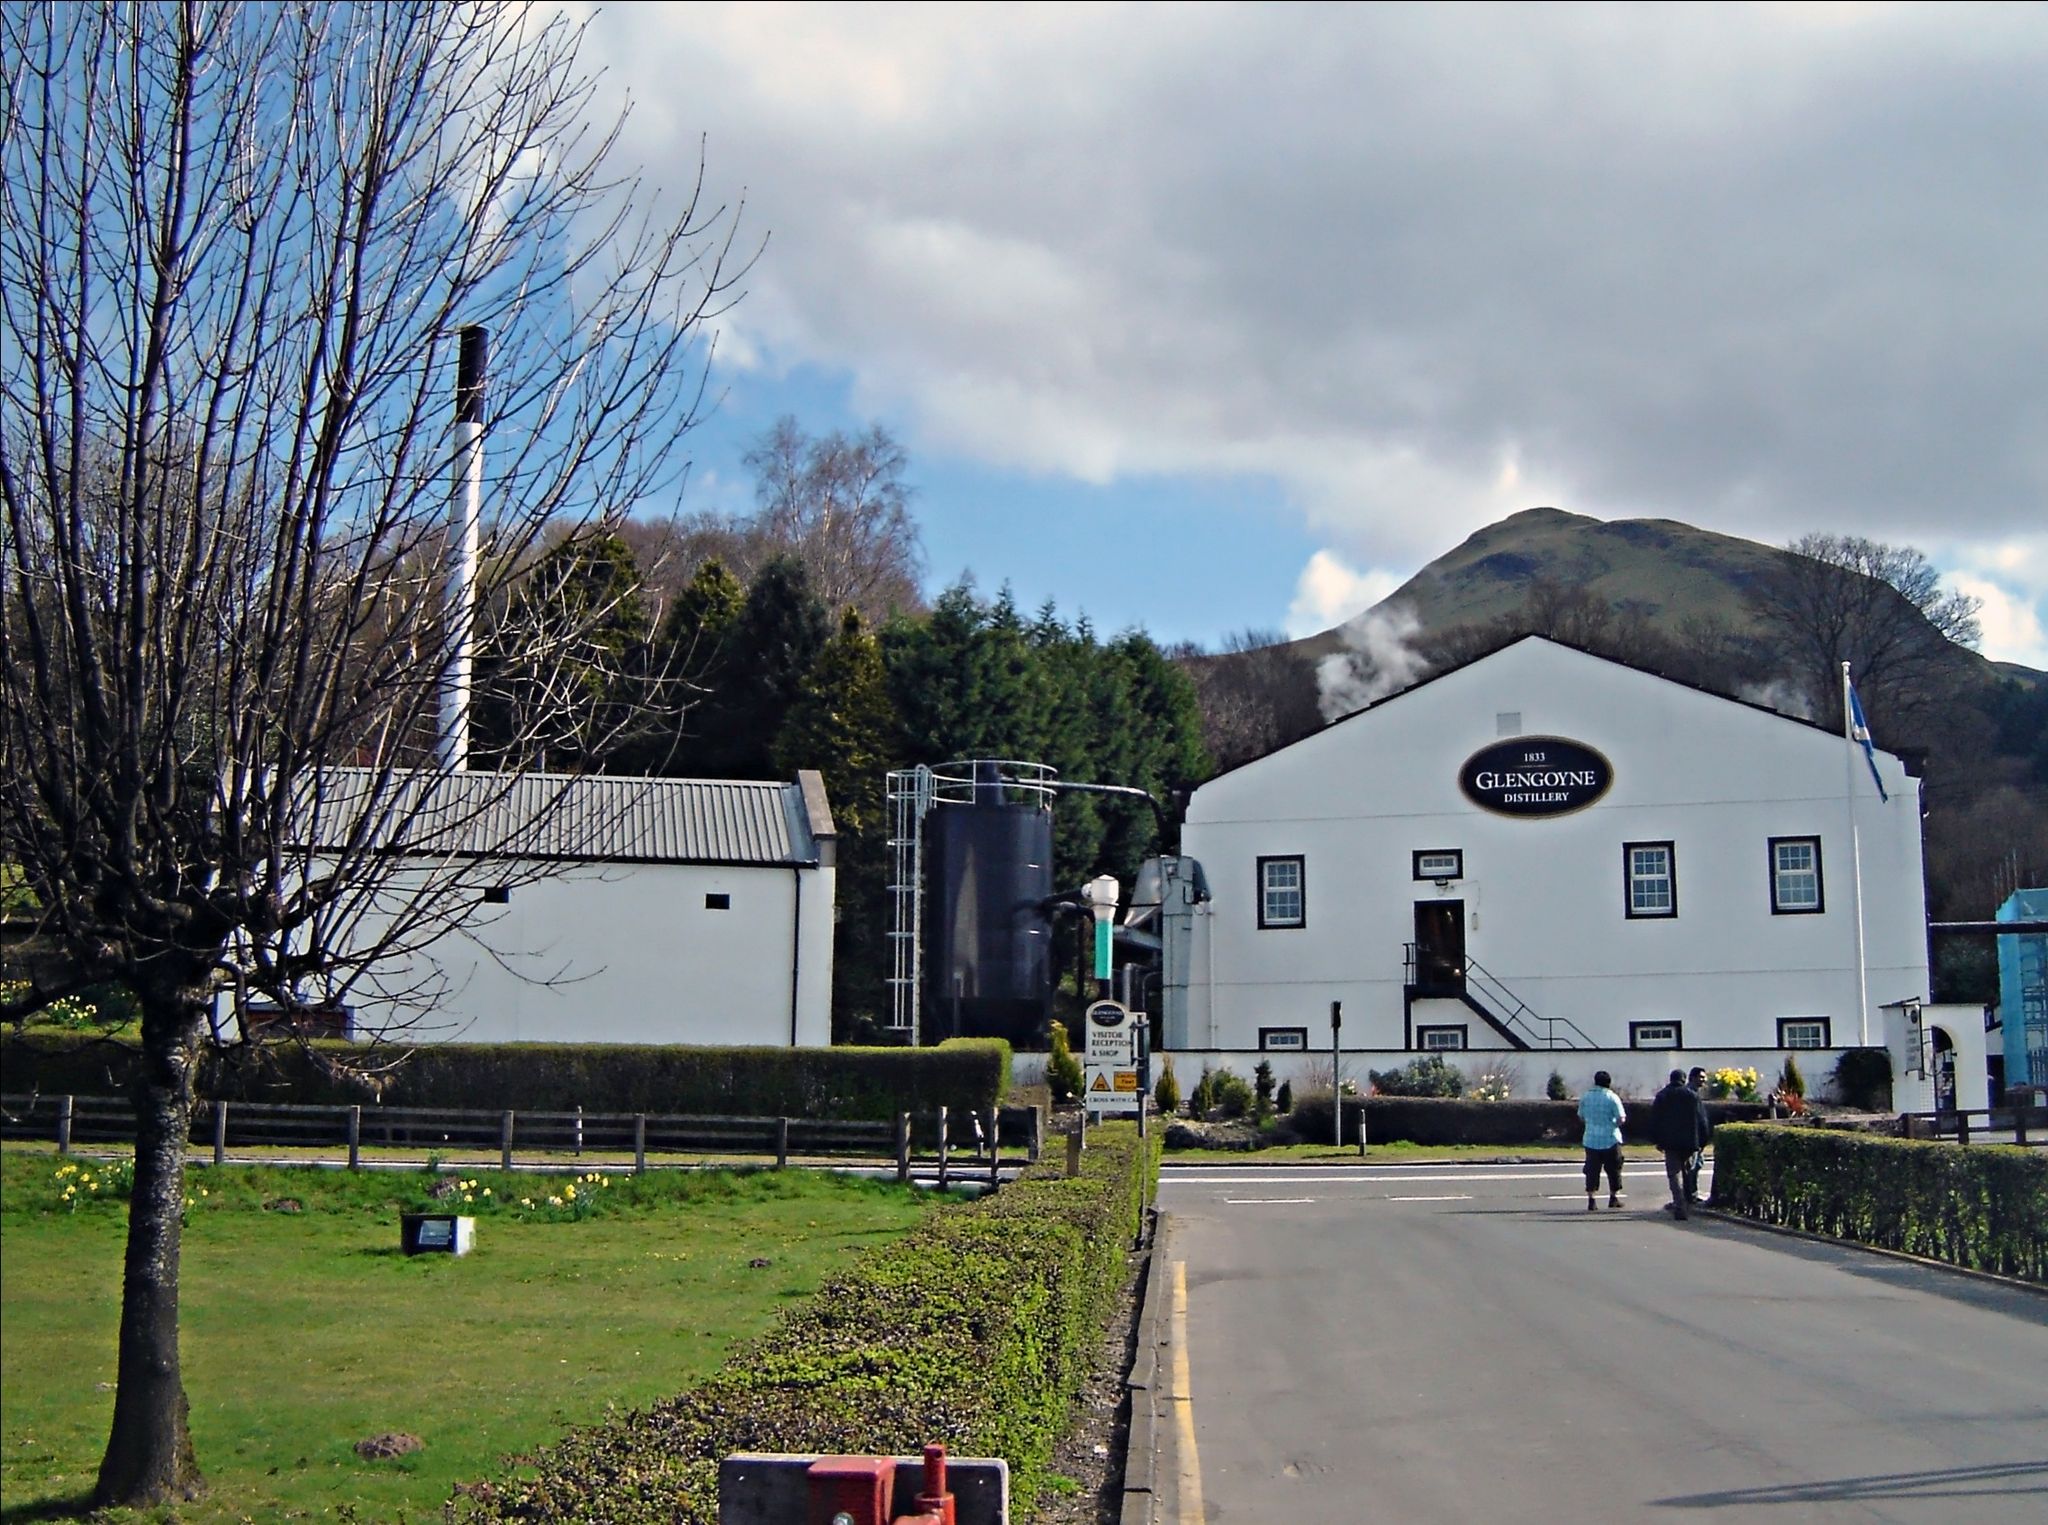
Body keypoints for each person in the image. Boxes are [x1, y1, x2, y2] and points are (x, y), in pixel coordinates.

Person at [1651, 1069, 1713, 1220]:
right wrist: (1703, 1140)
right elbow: (1702, 1120)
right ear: (1684, 1079)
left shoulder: (1662, 1096)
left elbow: (1654, 1121)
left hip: (1670, 1143)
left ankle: (1679, 1204)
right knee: (1688, 1172)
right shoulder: (1692, 1096)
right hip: (1690, 1142)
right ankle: (1688, 1199)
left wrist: (1657, 1141)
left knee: (1674, 1174)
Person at [1577, 1069, 1627, 1211]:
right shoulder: (1612, 1097)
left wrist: (1590, 1122)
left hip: (1591, 1138)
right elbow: (1621, 1118)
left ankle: (1592, 1200)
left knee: (1592, 1170)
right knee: (1614, 1169)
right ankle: (1613, 1197)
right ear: (1609, 1083)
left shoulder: (1586, 1097)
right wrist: (1613, 1124)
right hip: (1610, 1138)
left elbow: (1580, 1115)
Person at [1684, 1066, 1711, 1203]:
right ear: (1693, 1077)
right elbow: (1697, 1118)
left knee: (1696, 1165)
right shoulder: (1690, 1094)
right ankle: (1690, 1194)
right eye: (1701, 1077)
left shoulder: (1692, 1092)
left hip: (1695, 1138)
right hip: (1693, 1138)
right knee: (1693, 1166)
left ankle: (1690, 1193)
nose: (1704, 1080)